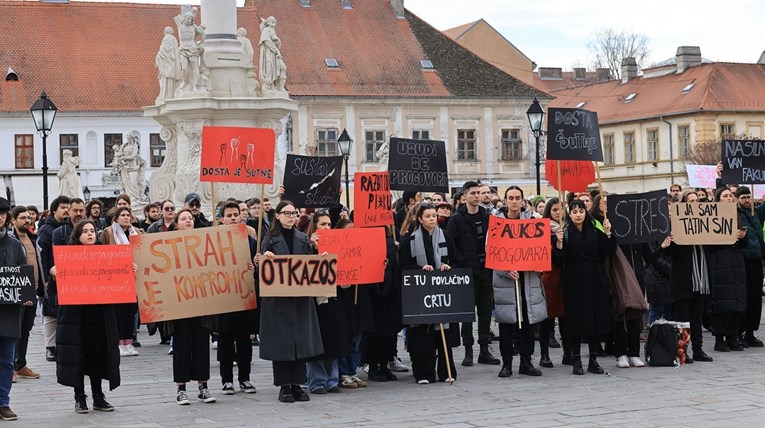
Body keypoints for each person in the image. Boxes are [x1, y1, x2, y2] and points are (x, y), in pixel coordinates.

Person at [257, 201, 323, 403]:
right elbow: (262, 271)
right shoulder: (269, 239)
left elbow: (309, 266)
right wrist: (263, 259)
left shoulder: (303, 238)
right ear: (277, 216)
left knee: (300, 342)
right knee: (282, 343)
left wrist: (321, 260)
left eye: (293, 213)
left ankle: (297, 384)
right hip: (279, 301)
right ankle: (284, 385)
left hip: (300, 300)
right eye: (286, 213)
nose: (291, 216)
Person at [53, 220, 120, 414]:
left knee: (97, 356)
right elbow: (55, 291)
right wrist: (54, 276)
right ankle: (79, 397)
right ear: (78, 235)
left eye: (92, 231)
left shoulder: (105, 255)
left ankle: (98, 396)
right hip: (76, 318)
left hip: (100, 316)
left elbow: (116, 279)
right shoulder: (68, 256)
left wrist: (127, 272)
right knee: (78, 356)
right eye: (85, 231)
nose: (90, 234)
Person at [552, 199, 616, 375]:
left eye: (581, 211)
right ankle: (576, 359)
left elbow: (608, 251)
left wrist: (609, 233)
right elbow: (558, 260)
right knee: (575, 321)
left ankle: (593, 359)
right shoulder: (564, 233)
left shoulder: (595, 231)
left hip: (595, 280)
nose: (578, 214)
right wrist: (558, 244)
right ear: (569, 214)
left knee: (595, 320)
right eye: (574, 211)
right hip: (574, 281)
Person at [399, 204, 459, 384]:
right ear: (419, 219)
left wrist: (448, 267)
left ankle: (446, 370)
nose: (432, 218)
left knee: (443, 333)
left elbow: (456, 260)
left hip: (442, 292)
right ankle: (423, 372)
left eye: (434, 215)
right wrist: (420, 269)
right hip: (420, 293)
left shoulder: (446, 237)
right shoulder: (410, 240)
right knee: (421, 334)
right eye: (428, 216)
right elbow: (403, 265)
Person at [493, 186, 547, 378]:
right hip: (506, 282)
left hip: (528, 279)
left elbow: (541, 247)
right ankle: (506, 363)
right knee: (507, 324)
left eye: (517, 198)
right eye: (510, 198)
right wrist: (505, 270)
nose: (514, 201)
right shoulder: (497, 223)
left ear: (523, 201)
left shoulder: (533, 222)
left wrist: (540, 262)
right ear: (505, 200)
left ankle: (526, 361)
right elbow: (491, 253)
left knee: (528, 323)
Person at [164, 209, 216, 405]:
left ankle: (203, 387)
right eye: (184, 218)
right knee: (182, 346)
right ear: (177, 223)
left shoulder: (203, 242)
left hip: (200, 304)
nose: (188, 221)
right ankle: (181, 388)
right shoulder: (168, 245)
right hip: (178, 305)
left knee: (202, 345)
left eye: (190, 218)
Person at [447, 181, 499, 366]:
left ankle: (484, 350)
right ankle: (468, 350)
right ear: (465, 195)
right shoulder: (456, 219)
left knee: (485, 312)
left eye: (479, 193)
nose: (477, 196)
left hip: (486, 270)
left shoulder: (487, 217)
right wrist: (460, 262)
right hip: (466, 272)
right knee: (467, 313)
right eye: (473, 193)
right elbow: (451, 244)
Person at [660, 190, 714, 362]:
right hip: (684, 279)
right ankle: (683, 351)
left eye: (696, 200)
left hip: (702, 279)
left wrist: (735, 238)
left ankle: (698, 350)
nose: (695, 203)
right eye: (690, 201)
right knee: (684, 318)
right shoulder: (675, 224)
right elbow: (670, 254)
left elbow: (716, 247)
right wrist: (671, 243)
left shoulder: (706, 222)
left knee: (697, 317)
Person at [305, 212, 351, 394]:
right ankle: (317, 381)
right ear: (315, 226)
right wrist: (313, 248)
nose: (326, 227)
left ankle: (332, 380)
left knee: (334, 340)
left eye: (329, 224)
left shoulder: (337, 244)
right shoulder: (306, 244)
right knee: (317, 341)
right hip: (316, 301)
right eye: (322, 224)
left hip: (335, 297)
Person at [214, 202, 258, 395]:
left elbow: (256, 272)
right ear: (221, 218)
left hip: (243, 295)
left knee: (244, 339)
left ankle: (245, 378)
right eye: (229, 215)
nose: (233, 218)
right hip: (223, 297)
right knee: (225, 339)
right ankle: (226, 380)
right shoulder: (213, 241)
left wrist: (254, 267)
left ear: (241, 216)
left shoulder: (250, 241)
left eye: (235, 214)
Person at [359, 224, 403, 381]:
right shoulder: (365, 240)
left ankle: (384, 364)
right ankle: (373, 366)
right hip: (371, 292)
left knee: (388, 333)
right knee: (373, 333)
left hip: (389, 290)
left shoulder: (391, 241)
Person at [707, 187, 747, 351]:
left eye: (730, 196)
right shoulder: (711, 216)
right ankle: (719, 338)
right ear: (718, 199)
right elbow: (710, 244)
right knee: (722, 301)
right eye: (725, 196)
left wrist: (742, 237)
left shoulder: (737, 215)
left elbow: (743, 245)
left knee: (736, 301)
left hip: (736, 262)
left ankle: (732, 336)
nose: (729, 198)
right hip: (720, 262)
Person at [99, 207, 142, 357]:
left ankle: (128, 342)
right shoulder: (108, 233)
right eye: (123, 215)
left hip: (134, 277)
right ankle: (118, 343)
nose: (126, 218)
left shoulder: (137, 233)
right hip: (116, 279)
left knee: (130, 312)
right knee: (118, 312)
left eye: (128, 215)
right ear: (116, 218)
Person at [8, 206, 41, 383]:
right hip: (18, 290)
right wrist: (23, 292)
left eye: (28, 217)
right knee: (14, 330)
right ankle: (10, 367)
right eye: (22, 218)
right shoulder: (10, 240)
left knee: (26, 330)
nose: (27, 221)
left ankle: (21, 364)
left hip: (34, 290)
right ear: (13, 220)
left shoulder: (33, 237)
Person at [37, 195, 71, 362]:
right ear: (54, 210)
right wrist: (45, 278)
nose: (66, 210)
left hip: (67, 276)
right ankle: (50, 347)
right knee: (50, 312)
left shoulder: (68, 228)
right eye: (63, 207)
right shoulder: (46, 230)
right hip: (51, 277)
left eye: (68, 207)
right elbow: (42, 255)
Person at [0, 197, 25, 421]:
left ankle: (3, 402)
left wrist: (26, 295)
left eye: (2, 214)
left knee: (7, 361)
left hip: (8, 313)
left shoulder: (15, 245)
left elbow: (22, 276)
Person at [733, 186, 765, 347]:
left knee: (755, 298)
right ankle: (739, 332)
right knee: (742, 297)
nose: (747, 200)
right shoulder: (733, 213)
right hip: (741, 261)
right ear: (736, 198)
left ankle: (751, 332)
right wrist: (719, 179)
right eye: (743, 197)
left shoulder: (756, 213)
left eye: (748, 197)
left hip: (756, 260)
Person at [539, 198, 568, 367]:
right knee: (547, 317)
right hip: (549, 276)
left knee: (565, 317)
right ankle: (544, 354)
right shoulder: (543, 229)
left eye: (560, 209)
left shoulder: (568, 228)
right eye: (555, 210)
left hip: (565, 276)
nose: (558, 213)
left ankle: (568, 352)